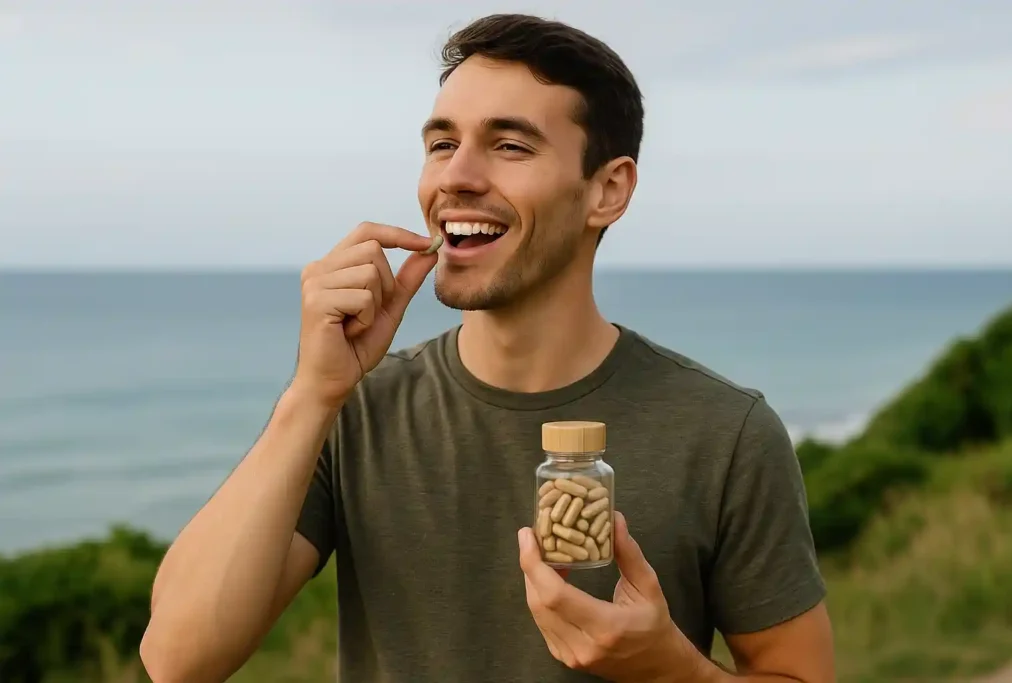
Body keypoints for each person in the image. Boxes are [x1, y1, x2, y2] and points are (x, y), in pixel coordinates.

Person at [140, 13, 836, 683]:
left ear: (608, 189)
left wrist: (670, 671)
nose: (455, 178)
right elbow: (177, 659)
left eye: (510, 145)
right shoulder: (354, 410)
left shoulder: (726, 434)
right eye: (442, 144)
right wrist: (313, 392)